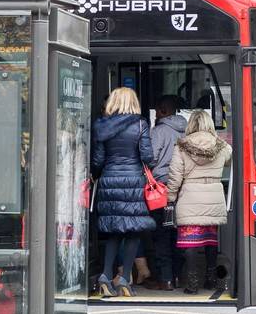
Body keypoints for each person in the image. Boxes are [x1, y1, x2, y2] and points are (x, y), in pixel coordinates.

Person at [92, 87, 156, 297]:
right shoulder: (140, 124)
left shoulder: (101, 126)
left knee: (113, 232)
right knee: (133, 231)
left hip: (109, 181)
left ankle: (104, 276)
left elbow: (98, 160)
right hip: (133, 183)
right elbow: (147, 156)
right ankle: (124, 280)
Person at [167, 111, 232, 294]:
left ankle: (192, 281)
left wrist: (170, 198)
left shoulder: (181, 147)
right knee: (210, 241)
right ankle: (210, 278)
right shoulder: (221, 146)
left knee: (189, 243)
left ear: (191, 125)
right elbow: (229, 159)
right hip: (213, 197)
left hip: (190, 198)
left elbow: (174, 177)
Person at [148, 95, 187, 290]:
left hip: (161, 187)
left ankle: (165, 279)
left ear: (162, 111)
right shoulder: (185, 131)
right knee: (177, 233)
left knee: (161, 234)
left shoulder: (159, 131)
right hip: (181, 186)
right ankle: (178, 276)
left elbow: (151, 158)